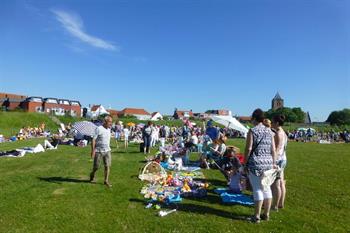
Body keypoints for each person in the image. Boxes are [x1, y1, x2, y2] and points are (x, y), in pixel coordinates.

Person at [244, 109, 277, 223]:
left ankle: (256, 216)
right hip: (268, 163)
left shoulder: (252, 131)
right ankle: (266, 214)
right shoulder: (270, 131)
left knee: (257, 189)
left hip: (256, 163)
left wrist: (245, 163)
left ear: (254, 118)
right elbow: (273, 149)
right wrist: (274, 163)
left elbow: (248, 149)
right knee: (267, 188)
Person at [89, 116, 113, 188]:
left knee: (107, 166)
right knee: (96, 167)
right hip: (99, 151)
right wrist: (93, 150)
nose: (111, 124)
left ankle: (106, 181)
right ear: (105, 122)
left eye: (111, 122)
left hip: (107, 150)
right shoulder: (99, 129)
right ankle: (92, 174)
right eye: (110, 122)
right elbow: (93, 140)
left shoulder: (109, 129)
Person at [271, 114, 288, 210]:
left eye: (272, 122)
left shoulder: (278, 133)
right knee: (281, 183)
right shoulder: (284, 132)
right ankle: (281, 203)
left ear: (277, 123)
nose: (271, 123)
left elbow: (276, 149)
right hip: (283, 159)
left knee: (276, 184)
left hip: (278, 160)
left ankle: (275, 206)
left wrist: (273, 162)